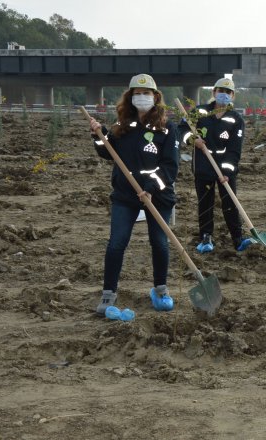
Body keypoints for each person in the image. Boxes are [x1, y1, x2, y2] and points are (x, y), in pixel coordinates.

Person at [87, 73, 178, 315]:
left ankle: (160, 289)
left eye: (146, 93)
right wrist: (99, 136)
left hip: (157, 196)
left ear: (155, 97)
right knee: (116, 243)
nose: (141, 97)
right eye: (137, 93)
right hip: (125, 195)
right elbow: (108, 153)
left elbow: (170, 167)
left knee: (159, 243)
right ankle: (108, 295)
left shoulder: (168, 129)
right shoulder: (122, 127)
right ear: (130, 97)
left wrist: (149, 188)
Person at [178, 78, 252, 254]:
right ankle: (206, 237)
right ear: (214, 92)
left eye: (228, 92)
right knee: (205, 203)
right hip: (203, 164)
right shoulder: (200, 112)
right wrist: (192, 139)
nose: (224, 95)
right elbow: (181, 130)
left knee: (230, 203)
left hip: (225, 168)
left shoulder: (236, 119)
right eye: (221, 91)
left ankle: (238, 238)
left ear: (232, 95)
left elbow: (235, 149)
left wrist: (227, 171)